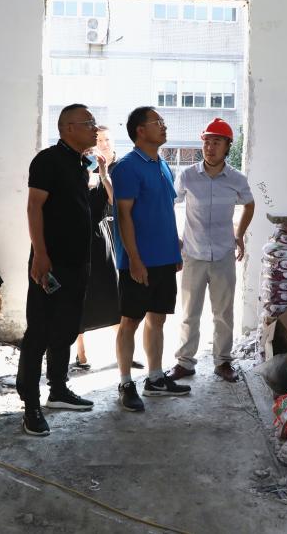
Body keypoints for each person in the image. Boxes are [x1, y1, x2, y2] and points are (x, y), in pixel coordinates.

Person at [16, 104, 100, 436]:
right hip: (50, 263)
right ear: (67, 128)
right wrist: (40, 253)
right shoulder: (47, 160)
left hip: (78, 263)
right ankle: (30, 405)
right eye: (88, 123)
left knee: (66, 329)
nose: (95, 128)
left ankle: (58, 389)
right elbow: (33, 207)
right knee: (39, 331)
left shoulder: (80, 164)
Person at [112, 106, 190, 412]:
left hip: (164, 258)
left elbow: (165, 210)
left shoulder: (163, 164)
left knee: (157, 318)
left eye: (163, 122)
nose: (164, 126)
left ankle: (155, 378)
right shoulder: (127, 167)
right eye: (157, 122)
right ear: (140, 130)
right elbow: (124, 215)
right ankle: (125, 383)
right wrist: (134, 258)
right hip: (138, 260)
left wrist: (174, 248)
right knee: (130, 321)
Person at [169, 118, 254, 383]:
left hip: (223, 255)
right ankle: (185, 362)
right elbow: (170, 203)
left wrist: (239, 234)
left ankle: (223, 361)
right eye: (206, 142)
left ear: (227, 146)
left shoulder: (237, 179)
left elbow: (249, 204)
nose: (210, 147)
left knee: (223, 313)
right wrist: (175, 238)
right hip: (193, 254)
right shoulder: (187, 176)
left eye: (216, 142)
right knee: (189, 313)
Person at [72, 126, 143, 371]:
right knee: (80, 297)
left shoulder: (110, 174)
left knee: (113, 295)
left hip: (101, 241)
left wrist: (103, 175)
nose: (100, 145)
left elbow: (115, 202)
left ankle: (124, 352)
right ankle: (81, 354)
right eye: (96, 142)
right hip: (77, 242)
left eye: (106, 140)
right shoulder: (75, 172)